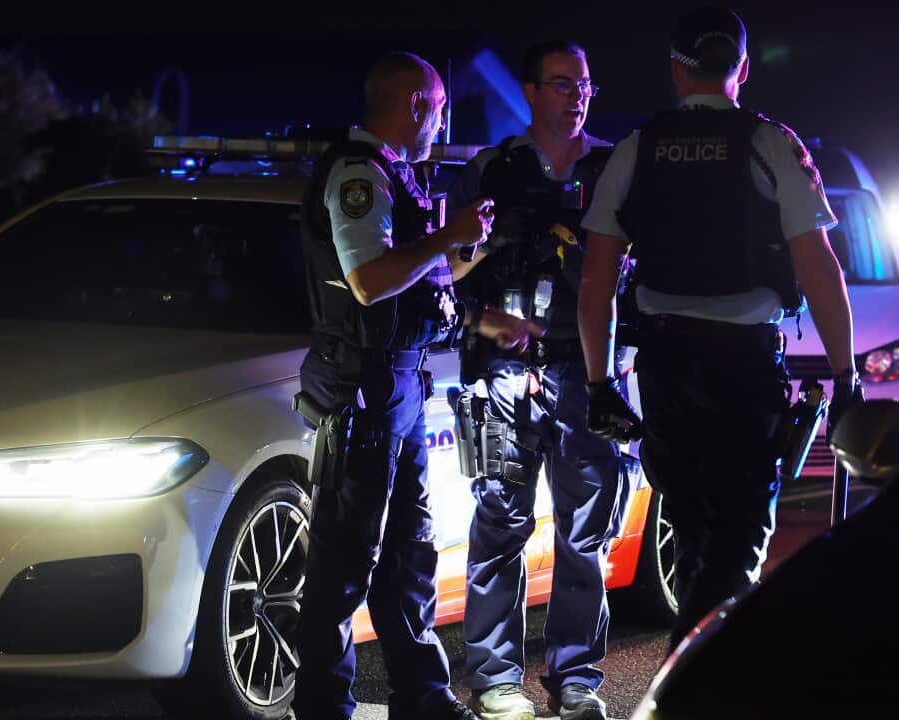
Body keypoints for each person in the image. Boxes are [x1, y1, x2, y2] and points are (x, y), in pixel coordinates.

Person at [576, 6, 864, 651]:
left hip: (665, 364)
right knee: (736, 546)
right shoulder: (770, 143)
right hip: (742, 364)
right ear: (743, 68)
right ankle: (696, 677)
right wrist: (845, 375)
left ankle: (692, 671)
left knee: (696, 536)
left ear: (675, 70)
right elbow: (818, 267)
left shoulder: (636, 147)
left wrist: (599, 383)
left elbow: (596, 279)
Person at [293, 51, 540, 720]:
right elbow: (369, 279)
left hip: (396, 388)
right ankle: (322, 708)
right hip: (362, 391)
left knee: (408, 559)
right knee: (344, 568)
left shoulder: (394, 176)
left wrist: (472, 245)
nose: (440, 122)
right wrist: (444, 238)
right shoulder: (359, 174)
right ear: (417, 107)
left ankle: (424, 699)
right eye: (436, 108)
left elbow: (423, 282)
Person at [444, 41, 626, 720]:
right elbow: (442, 271)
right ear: (529, 91)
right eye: (560, 84)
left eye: (584, 85)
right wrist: (483, 317)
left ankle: (576, 679)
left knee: (587, 533)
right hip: (500, 376)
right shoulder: (490, 171)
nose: (576, 96)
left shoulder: (613, 169)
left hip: (586, 372)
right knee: (500, 524)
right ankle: (496, 680)